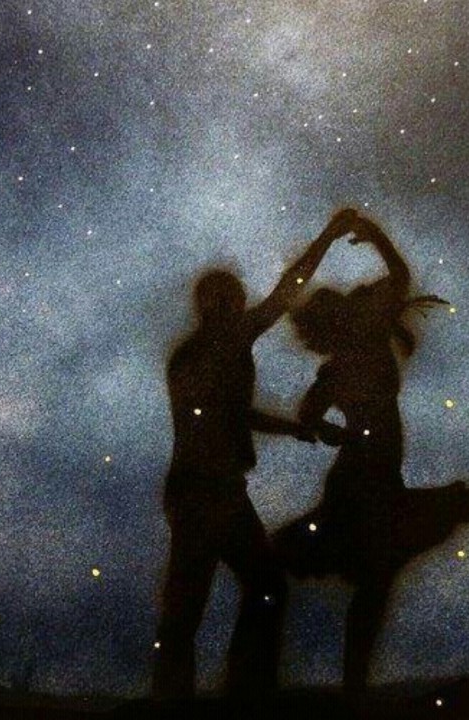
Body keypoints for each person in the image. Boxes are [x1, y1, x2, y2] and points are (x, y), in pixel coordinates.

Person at [152, 208, 358, 703]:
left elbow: (231, 414)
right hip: (206, 493)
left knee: (236, 594)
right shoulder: (216, 346)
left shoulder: (201, 353)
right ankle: (227, 695)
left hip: (213, 491)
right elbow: (287, 291)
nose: (241, 306)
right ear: (215, 304)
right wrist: (327, 235)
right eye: (232, 299)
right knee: (208, 603)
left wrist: (298, 427)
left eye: (238, 299)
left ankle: (232, 693)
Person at [273, 215, 469, 695]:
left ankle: (355, 685)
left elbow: (399, 278)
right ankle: (352, 686)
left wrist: (376, 235)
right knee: (375, 577)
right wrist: (329, 431)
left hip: (376, 474)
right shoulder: (340, 366)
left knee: (376, 579)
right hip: (361, 477)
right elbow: (307, 416)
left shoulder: (358, 349)